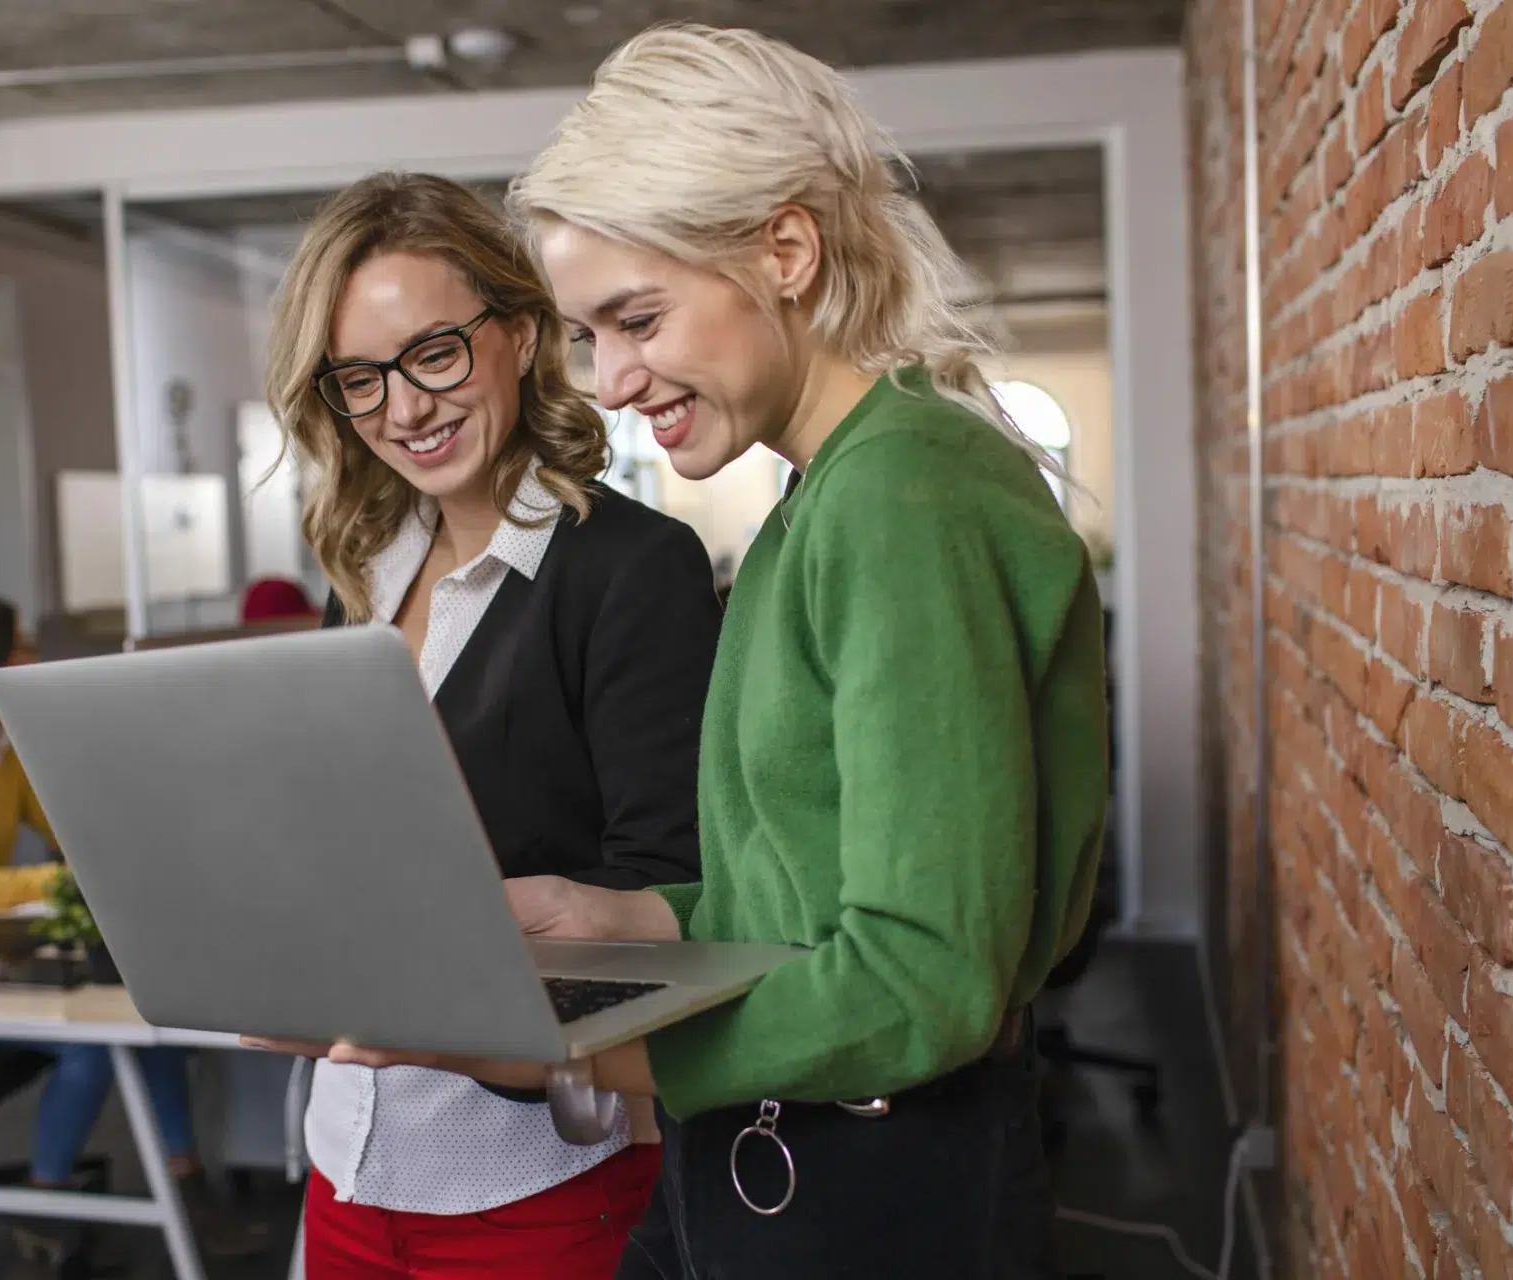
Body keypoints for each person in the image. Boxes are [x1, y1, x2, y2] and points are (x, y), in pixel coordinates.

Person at [312, 25, 1110, 1279]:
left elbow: (920, 979)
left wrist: (553, 1050)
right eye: (589, 333)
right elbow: (794, 899)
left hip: (872, 1184)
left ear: (785, 251)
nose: (613, 379)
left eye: (636, 318)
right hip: (772, 1157)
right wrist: (614, 913)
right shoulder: (818, 497)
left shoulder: (903, 494)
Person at [251, 171, 720, 1280]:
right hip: (349, 1159)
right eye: (360, 378)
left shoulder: (627, 569)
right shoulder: (361, 577)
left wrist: (467, 1022)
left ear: (517, 334)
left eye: (435, 352)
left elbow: (671, 889)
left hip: (534, 1176)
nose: (404, 407)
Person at [0, 596, 267, 1269]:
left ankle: (185, 1182)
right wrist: (71, 882)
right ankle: (46, 1199)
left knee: (140, 1012)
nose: (33, 658)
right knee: (91, 1045)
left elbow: (67, 828)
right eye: (20, 646)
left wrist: (133, 842)